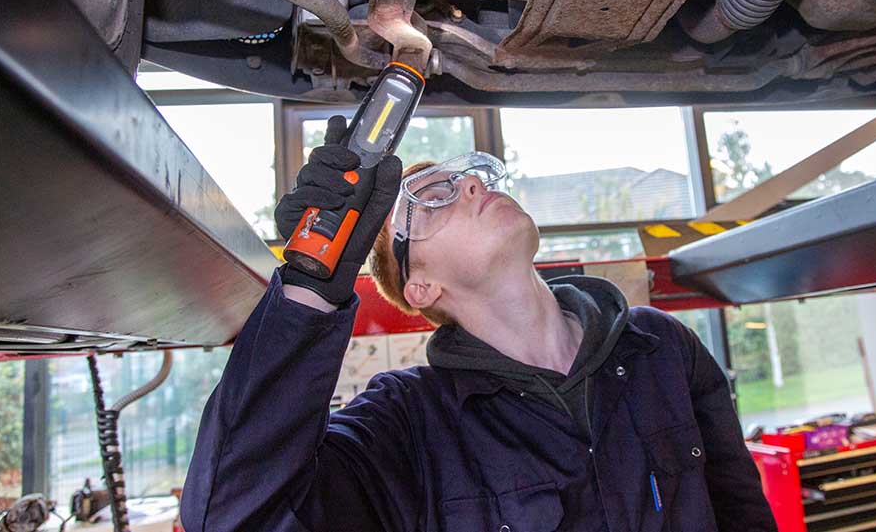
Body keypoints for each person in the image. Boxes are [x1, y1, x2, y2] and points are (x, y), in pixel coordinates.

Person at [181, 115, 777, 532]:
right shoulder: (409, 425)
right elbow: (236, 514)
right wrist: (312, 281)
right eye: (433, 197)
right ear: (421, 287)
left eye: (467, 177)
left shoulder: (660, 347)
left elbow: (741, 508)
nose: (471, 184)